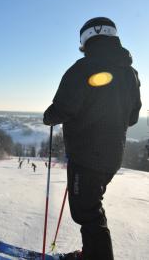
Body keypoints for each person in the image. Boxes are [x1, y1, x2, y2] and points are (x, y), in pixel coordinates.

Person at [43, 17, 141, 260]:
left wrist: (49, 117)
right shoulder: (130, 74)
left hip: (86, 157)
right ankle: (92, 253)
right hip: (112, 156)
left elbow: (61, 109)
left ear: (86, 40)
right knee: (91, 207)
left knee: (86, 212)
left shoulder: (81, 69)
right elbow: (132, 118)